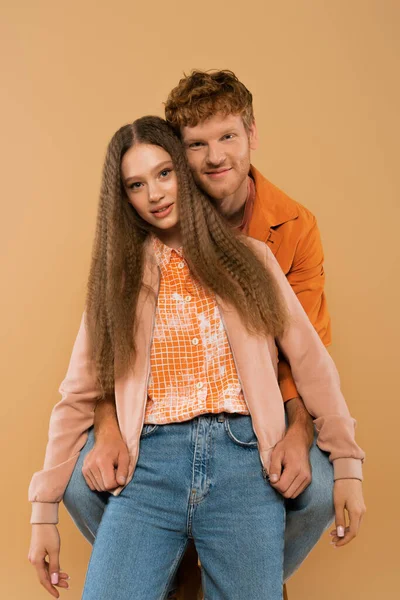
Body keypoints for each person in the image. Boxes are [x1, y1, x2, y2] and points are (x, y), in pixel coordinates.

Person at [28, 115, 365, 600]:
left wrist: (348, 466)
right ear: (123, 198)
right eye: (137, 184)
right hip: (149, 469)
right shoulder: (118, 279)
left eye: (165, 173)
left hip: (245, 465)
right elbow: (78, 393)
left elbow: (313, 367)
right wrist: (42, 514)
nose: (156, 194)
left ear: (185, 173)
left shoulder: (251, 259)